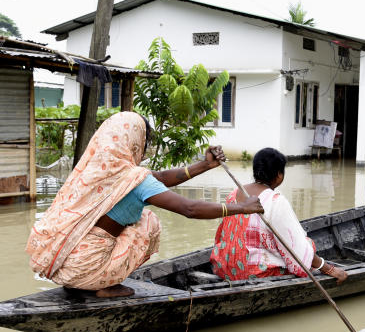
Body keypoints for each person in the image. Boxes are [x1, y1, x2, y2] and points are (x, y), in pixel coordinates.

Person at [26, 111, 263, 298]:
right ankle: (103, 283)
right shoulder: (133, 179)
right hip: (86, 271)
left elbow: (157, 179)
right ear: (134, 141)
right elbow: (188, 209)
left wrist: (204, 165)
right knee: (147, 222)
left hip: (64, 268)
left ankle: (90, 277)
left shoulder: (95, 172)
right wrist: (242, 208)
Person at [210, 147, 348, 283]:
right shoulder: (275, 201)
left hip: (224, 267)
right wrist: (329, 269)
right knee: (306, 245)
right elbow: (296, 250)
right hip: (251, 274)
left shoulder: (233, 193)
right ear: (279, 175)